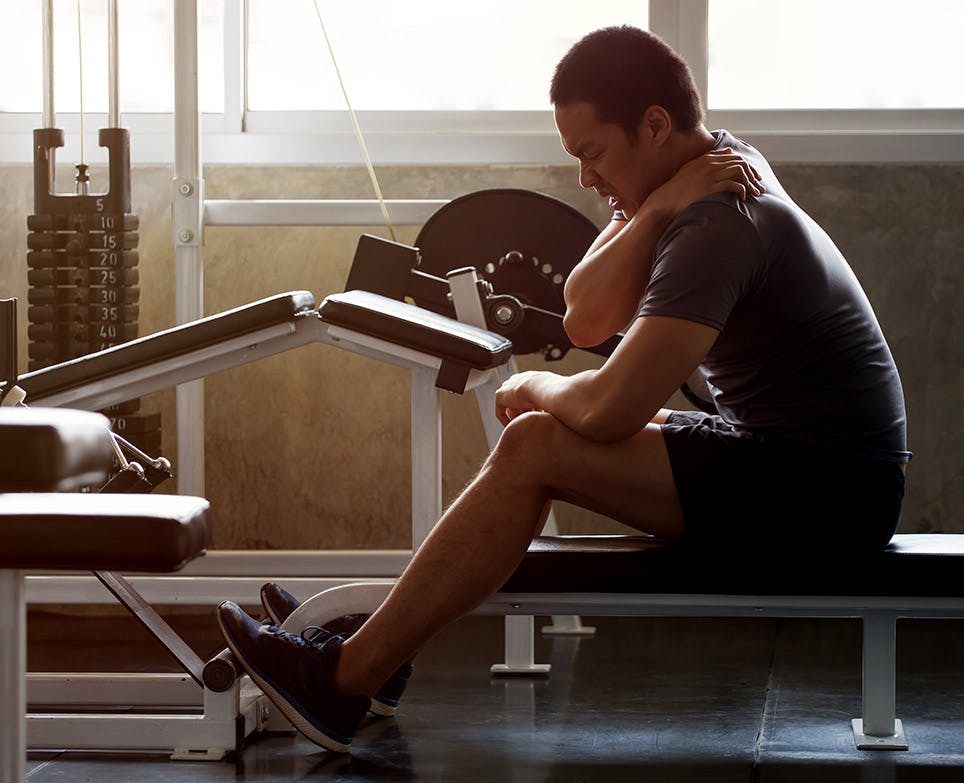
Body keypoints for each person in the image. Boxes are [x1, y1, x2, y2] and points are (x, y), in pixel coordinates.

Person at [217, 25, 911, 753]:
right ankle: (378, 653)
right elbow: (586, 314)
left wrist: (543, 384)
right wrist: (654, 206)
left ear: (654, 124)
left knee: (534, 443)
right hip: (806, 465)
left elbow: (611, 408)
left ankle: (345, 676)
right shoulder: (706, 171)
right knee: (533, 441)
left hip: (829, 490)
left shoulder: (719, 220)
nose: (585, 177)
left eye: (593, 153)